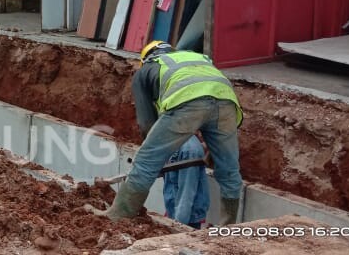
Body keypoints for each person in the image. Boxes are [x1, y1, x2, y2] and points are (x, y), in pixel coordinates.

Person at [92, 41, 243, 225]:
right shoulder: (195, 58)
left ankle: (118, 216)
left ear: (145, 59)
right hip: (227, 101)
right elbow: (210, 100)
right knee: (229, 170)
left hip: (187, 100)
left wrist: (157, 157)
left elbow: (146, 123)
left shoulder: (146, 70)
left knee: (145, 161)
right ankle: (228, 227)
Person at [163, 136, 210, 228]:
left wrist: (178, 226)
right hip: (174, 209)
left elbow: (187, 193)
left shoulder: (189, 150)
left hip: (186, 217)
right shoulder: (173, 141)